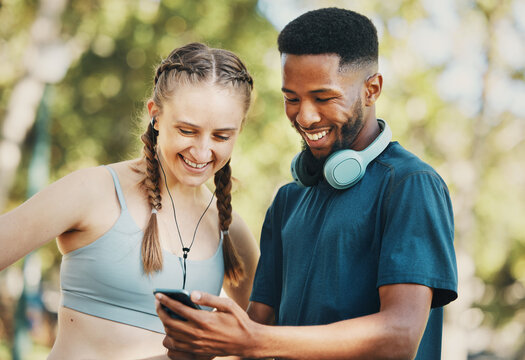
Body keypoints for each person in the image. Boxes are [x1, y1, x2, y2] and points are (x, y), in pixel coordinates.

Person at [155, 8, 458, 360]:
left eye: (323, 97)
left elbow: (400, 335)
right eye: (292, 98)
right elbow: (258, 330)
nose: (305, 116)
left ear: (372, 89)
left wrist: (252, 340)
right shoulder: (288, 201)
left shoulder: (411, 185)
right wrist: (208, 342)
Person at [0, 42, 259, 359]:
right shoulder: (93, 191)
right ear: (156, 116)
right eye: (187, 130)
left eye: (221, 136)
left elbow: (254, 344)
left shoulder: (230, 231)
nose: (203, 152)